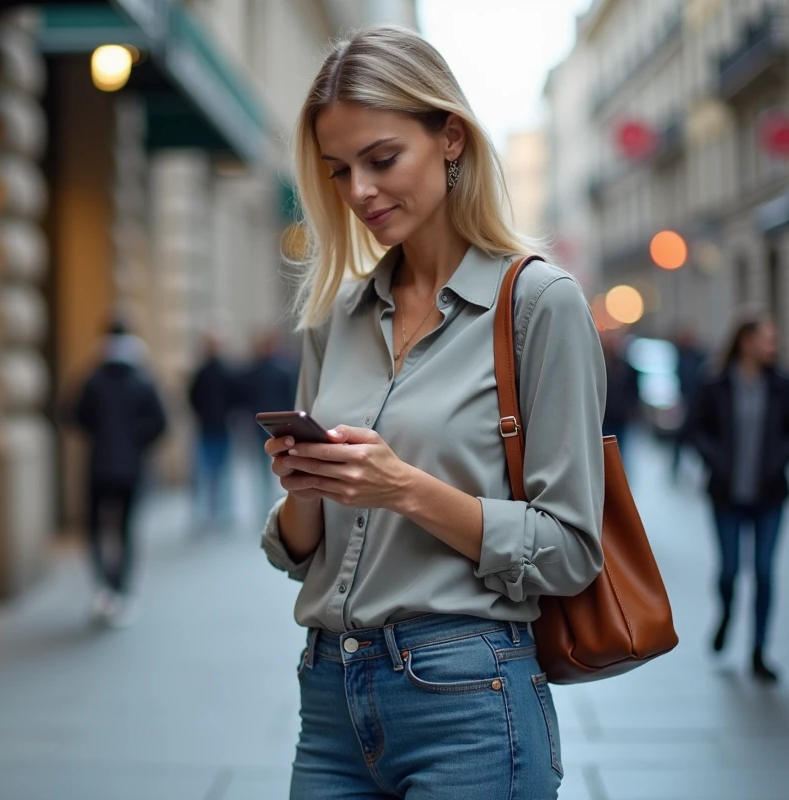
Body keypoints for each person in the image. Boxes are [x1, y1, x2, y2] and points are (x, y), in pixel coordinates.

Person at [260, 26, 606, 798]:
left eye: (382, 159)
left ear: (450, 137)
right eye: (338, 170)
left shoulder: (539, 304)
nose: (359, 191)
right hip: (330, 699)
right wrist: (304, 486)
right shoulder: (336, 316)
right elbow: (298, 554)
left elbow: (572, 549)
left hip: (469, 700)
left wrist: (404, 488)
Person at [685, 312, 789, 683]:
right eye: (767, 338)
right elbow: (695, 428)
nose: (772, 345)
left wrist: (779, 459)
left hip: (770, 494)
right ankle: (727, 613)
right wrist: (717, 461)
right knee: (730, 570)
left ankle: (759, 650)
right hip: (726, 493)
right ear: (746, 341)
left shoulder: (782, 383)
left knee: (764, 572)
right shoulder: (715, 381)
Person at [63, 323, 167, 628]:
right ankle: (121, 590)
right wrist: (138, 441)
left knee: (95, 529)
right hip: (132, 467)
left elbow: (72, 415)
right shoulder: (143, 380)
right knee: (125, 530)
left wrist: (99, 434)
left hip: (98, 465)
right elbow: (161, 423)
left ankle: (103, 588)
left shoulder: (92, 379)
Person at [240, 330, 298, 516]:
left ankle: (274, 502)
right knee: (274, 464)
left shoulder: (257, 371)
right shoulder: (281, 370)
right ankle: (273, 502)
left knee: (274, 464)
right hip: (274, 424)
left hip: (270, 424)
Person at [188, 332, 237, 530]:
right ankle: (213, 513)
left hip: (217, 428)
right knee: (210, 472)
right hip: (210, 428)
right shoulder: (208, 372)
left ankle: (219, 513)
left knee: (218, 472)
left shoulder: (216, 371)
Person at [671, 326, 707, 480]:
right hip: (684, 402)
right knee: (679, 439)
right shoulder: (679, 355)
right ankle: (675, 467)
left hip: (695, 403)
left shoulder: (699, 356)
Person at [600, 328, 641, 457]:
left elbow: (634, 391)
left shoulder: (627, 367)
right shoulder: (601, 365)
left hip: (620, 418)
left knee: (618, 451)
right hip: (605, 417)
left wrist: (628, 409)